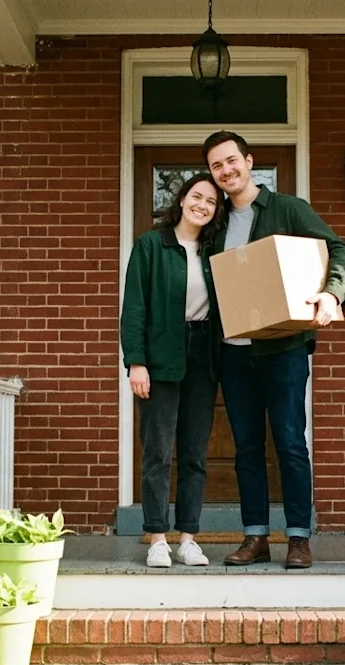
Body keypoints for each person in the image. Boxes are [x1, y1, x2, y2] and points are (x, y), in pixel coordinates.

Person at [203, 130, 345, 570]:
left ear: (249, 161)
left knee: (289, 442)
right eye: (217, 166)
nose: (226, 171)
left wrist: (332, 294)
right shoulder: (215, 224)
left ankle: (298, 537)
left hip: (284, 346)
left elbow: (339, 249)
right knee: (246, 447)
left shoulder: (287, 209)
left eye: (231, 160)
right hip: (233, 351)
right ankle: (255, 537)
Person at [120, 174, 227, 568]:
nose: (202, 205)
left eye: (211, 202)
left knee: (195, 452)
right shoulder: (151, 245)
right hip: (161, 352)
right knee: (158, 451)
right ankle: (158, 538)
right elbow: (134, 308)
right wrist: (136, 361)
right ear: (181, 199)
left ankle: (188, 538)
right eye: (197, 196)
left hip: (203, 354)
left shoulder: (215, 252)